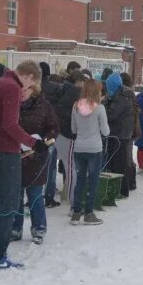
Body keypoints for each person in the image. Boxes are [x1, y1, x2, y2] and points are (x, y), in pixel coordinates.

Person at [0, 60, 45, 270]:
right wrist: (34, 142)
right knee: (8, 204)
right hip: (6, 152)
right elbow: (10, 125)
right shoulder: (13, 87)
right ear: (30, 77)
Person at [12, 83, 59, 243]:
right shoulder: (13, 103)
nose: (22, 91)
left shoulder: (44, 106)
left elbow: (53, 128)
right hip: (16, 155)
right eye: (21, 88)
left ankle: (39, 228)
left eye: (26, 88)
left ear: (34, 89)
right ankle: (15, 228)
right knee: (16, 194)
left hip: (36, 155)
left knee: (35, 193)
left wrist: (45, 140)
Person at [70, 79, 110, 225]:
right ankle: (88, 213)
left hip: (79, 148)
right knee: (92, 181)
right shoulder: (99, 109)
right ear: (96, 91)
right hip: (94, 149)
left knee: (79, 180)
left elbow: (73, 129)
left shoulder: (75, 106)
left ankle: (76, 213)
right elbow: (106, 131)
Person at [54, 70, 85, 208]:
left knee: (68, 167)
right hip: (69, 135)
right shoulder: (75, 92)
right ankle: (74, 201)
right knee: (72, 168)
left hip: (61, 133)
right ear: (80, 82)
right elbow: (65, 111)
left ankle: (68, 195)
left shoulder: (63, 89)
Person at [104, 72, 136, 197]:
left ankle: (121, 190)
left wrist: (103, 106)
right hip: (120, 132)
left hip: (120, 133)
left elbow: (111, 114)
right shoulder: (119, 94)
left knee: (119, 163)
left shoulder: (121, 97)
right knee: (117, 161)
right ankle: (118, 188)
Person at [39, 62, 62, 208]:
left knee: (35, 165)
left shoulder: (32, 88)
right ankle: (49, 197)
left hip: (35, 131)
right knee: (51, 166)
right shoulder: (57, 88)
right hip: (51, 130)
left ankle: (34, 196)